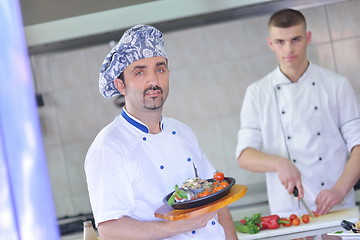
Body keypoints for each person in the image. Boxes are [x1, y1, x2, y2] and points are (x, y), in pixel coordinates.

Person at [85, 25, 238, 240]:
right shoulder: (109, 146)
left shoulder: (182, 130)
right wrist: (183, 225)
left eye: (160, 68)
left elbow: (218, 199)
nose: (154, 81)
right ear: (121, 85)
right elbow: (111, 230)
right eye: (139, 72)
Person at [235, 8, 360, 217]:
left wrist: (338, 191)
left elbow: (358, 145)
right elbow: (244, 154)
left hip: (338, 204)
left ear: (308, 37)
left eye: (296, 39)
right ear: (270, 43)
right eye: (280, 42)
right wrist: (279, 162)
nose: (289, 49)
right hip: (289, 210)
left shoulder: (337, 85)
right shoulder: (257, 93)